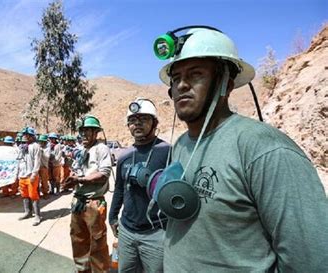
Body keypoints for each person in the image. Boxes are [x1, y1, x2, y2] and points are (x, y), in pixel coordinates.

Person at [154, 26, 328, 272]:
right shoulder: (181, 145)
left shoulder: (264, 148)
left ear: (226, 83)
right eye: (175, 78)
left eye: (195, 75)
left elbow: (311, 260)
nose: (181, 85)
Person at [108, 98, 170, 273]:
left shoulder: (167, 152)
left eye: (143, 119)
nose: (137, 124)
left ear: (154, 123)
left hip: (156, 233)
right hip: (126, 232)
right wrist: (112, 217)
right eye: (132, 121)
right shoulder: (124, 156)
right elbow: (119, 189)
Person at [63, 115, 112, 273]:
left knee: (97, 244)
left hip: (94, 203)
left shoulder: (101, 148)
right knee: (78, 240)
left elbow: (104, 174)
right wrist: (72, 178)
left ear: (96, 132)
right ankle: (83, 270)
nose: (83, 135)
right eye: (82, 131)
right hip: (78, 202)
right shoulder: (82, 150)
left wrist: (80, 179)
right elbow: (77, 171)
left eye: (87, 131)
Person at [16, 127, 42, 226]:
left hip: (31, 175)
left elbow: (37, 161)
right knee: (24, 195)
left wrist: (34, 174)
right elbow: (20, 161)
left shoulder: (36, 146)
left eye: (27, 135)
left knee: (33, 195)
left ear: (31, 136)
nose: (25, 137)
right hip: (22, 175)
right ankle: (28, 212)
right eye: (24, 135)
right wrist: (18, 174)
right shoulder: (23, 147)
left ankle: (37, 216)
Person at [37, 134, 50, 199]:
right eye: (40, 141)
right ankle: (37, 193)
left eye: (42, 141)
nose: (41, 143)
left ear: (45, 142)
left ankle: (45, 193)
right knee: (36, 181)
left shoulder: (47, 149)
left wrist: (42, 152)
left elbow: (47, 157)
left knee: (44, 181)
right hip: (37, 167)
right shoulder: (37, 148)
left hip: (44, 167)